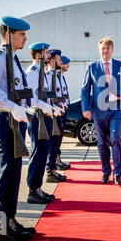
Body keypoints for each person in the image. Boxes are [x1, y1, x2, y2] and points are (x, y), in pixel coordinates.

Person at [0, 17, 43, 241]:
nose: (25, 38)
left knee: (14, 171)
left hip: (16, 119)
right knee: (7, 170)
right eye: (22, 34)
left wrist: (31, 107)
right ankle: (2, 225)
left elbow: (20, 91)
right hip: (4, 119)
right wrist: (12, 108)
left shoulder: (13, 60)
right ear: (9, 33)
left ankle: (11, 219)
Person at [81, 36, 121, 186]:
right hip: (98, 111)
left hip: (116, 110)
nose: (105, 51)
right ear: (99, 50)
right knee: (102, 143)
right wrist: (86, 109)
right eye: (102, 48)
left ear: (112, 50)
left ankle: (117, 174)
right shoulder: (92, 67)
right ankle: (105, 172)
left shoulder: (120, 66)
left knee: (116, 139)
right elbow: (85, 90)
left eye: (107, 48)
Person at [25, 42, 56, 204]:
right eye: (46, 52)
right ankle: (32, 190)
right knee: (38, 152)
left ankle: (37, 187)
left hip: (44, 116)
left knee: (43, 152)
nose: (49, 55)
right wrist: (46, 106)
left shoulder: (40, 71)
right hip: (37, 117)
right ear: (38, 55)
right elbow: (31, 98)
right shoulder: (32, 72)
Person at [45, 50, 66, 182]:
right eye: (59, 59)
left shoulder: (56, 75)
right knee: (52, 143)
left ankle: (52, 168)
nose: (61, 62)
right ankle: (50, 170)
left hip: (57, 111)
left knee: (55, 142)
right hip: (50, 113)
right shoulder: (48, 74)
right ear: (53, 60)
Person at [55, 55, 71, 170]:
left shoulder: (61, 77)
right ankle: (56, 161)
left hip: (63, 110)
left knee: (60, 137)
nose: (67, 65)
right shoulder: (55, 77)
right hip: (58, 111)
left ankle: (58, 159)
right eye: (66, 63)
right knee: (56, 137)